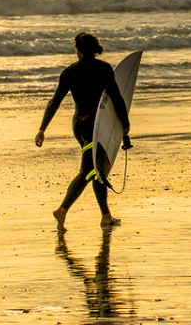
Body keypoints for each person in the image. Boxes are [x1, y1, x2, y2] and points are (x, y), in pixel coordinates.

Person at [35, 32, 130, 231]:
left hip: (79, 125)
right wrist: (125, 123)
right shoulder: (103, 69)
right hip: (96, 125)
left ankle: (106, 216)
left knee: (98, 169)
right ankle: (62, 209)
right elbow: (116, 98)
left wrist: (42, 128)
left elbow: (54, 102)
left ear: (78, 49)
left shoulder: (69, 72)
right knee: (88, 170)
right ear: (96, 48)